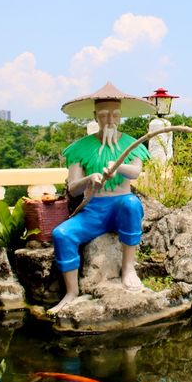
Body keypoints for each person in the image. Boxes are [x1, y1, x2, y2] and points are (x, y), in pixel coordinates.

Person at [49, 82, 155, 314]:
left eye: (115, 115)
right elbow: (74, 188)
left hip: (120, 206)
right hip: (94, 210)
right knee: (61, 234)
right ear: (95, 116)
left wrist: (119, 168)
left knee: (130, 203)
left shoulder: (132, 144)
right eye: (104, 115)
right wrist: (90, 179)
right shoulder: (80, 148)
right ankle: (71, 292)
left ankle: (128, 269)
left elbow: (136, 172)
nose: (110, 121)